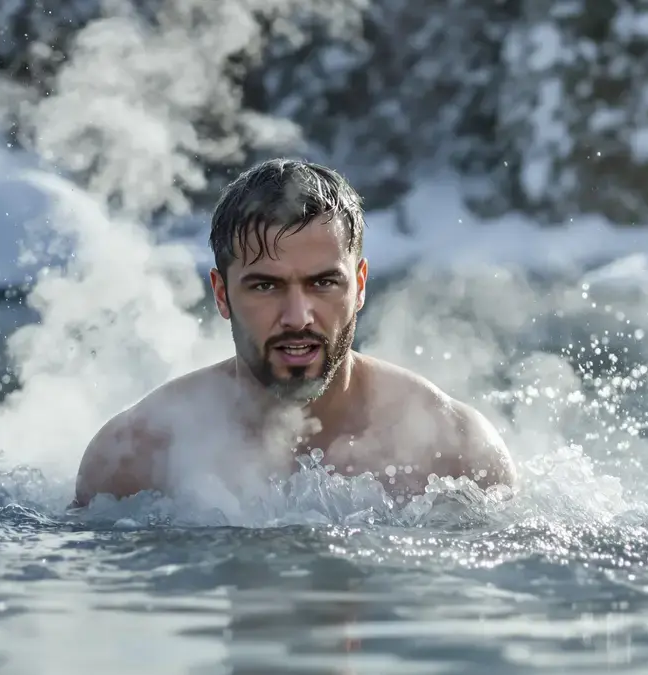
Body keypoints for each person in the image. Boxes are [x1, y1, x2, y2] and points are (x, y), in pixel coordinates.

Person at [71, 158, 515, 507]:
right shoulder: (134, 460)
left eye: (323, 283)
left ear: (359, 286)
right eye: (266, 285)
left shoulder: (456, 451)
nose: (298, 316)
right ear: (222, 294)